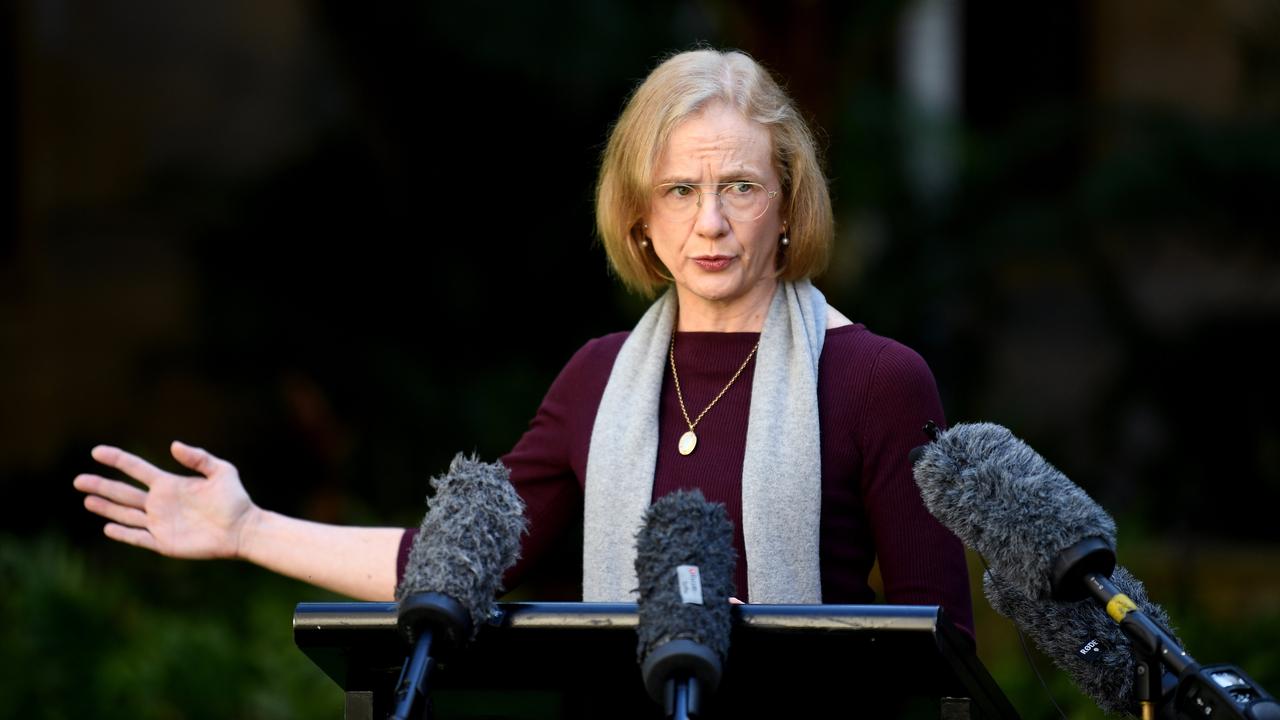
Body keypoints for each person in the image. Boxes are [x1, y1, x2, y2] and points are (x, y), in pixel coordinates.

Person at [73, 48, 974, 637]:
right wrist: (247, 528)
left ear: (786, 205)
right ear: (638, 221)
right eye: (678, 191)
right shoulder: (597, 381)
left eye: (739, 186)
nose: (710, 222)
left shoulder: (876, 381)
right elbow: (450, 558)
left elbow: (943, 653)